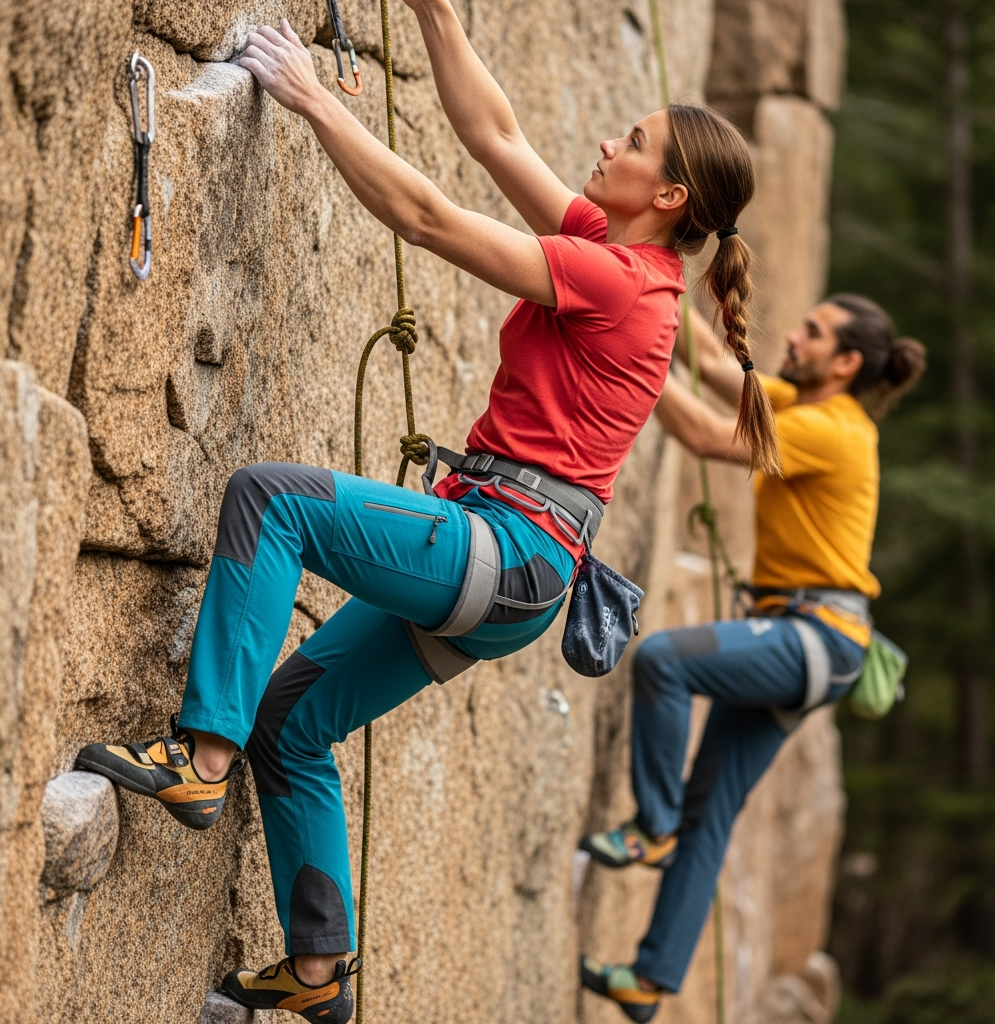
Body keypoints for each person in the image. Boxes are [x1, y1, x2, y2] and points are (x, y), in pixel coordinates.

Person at [74, 3, 774, 1020]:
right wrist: (435, 15)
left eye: (628, 142)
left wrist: (313, 98)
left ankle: (200, 757)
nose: (602, 142)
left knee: (271, 501)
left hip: (507, 545)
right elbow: (495, 137)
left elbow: (431, 221)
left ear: (667, 194)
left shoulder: (623, 281)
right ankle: (317, 976)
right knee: (296, 724)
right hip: (518, 570)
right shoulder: (605, 244)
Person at [579, 296, 926, 1022]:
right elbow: (709, 363)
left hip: (817, 637)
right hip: (808, 639)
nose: (792, 335)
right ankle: (649, 981)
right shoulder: (801, 402)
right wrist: (660, 301)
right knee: (712, 815)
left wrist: (634, 356)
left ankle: (651, 827)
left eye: (812, 332)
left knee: (666, 661)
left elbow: (708, 435)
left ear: (846, 363)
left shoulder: (831, 431)